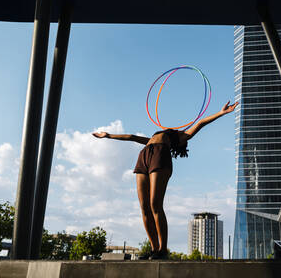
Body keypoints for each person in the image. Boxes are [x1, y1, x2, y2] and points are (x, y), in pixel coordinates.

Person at [92, 100, 238, 259]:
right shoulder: (152, 140)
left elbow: (202, 123)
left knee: (155, 204)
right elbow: (132, 137)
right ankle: (154, 249)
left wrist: (221, 113)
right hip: (144, 156)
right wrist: (108, 135)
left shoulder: (181, 136)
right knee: (144, 206)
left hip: (160, 158)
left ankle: (163, 250)